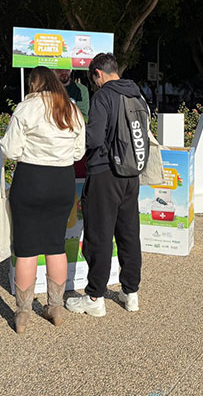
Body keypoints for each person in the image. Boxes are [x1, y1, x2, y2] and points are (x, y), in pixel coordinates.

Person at [0, 66, 85, 334]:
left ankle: (23, 314)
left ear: (33, 84)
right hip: (62, 181)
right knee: (55, 245)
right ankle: (55, 307)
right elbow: (79, 152)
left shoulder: (26, 107)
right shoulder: (71, 109)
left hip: (31, 179)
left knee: (26, 249)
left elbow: (10, 150)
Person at [66, 53, 145, 317]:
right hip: (131, 174)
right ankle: (130, 293)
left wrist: (78, 132)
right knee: (128, 233)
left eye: (93, 79)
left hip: (104, 174)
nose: (94, 84)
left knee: (99, 236)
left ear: (98, 73)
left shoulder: (103, 96)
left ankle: (95, 297)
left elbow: (95, 138)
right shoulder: (137, 95)